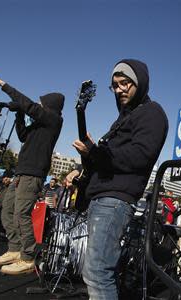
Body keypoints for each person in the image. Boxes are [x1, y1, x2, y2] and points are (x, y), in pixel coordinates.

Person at [68, 59, 168, 299]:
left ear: (140, 82)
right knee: (96, 271)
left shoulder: (152, 112)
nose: (120, 89)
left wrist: (97, 152)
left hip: (114, 201)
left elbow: (140, 156)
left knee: (97, 272)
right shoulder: (121, 120)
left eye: (126, 83)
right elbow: (105, 161)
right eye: (115, 85)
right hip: (102, 198)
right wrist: (88, 157)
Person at [0, 73, 64, 275]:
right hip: (21, 172)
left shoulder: (53, 119)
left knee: (22, 214)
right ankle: (15, 249)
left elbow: (29, 106)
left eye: (41, 103)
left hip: (33, 175)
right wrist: (19, 114)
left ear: (49, 106)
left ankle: (28, 258)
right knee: (7, 210)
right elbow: (22, 136)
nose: (38, 105)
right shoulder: (39, 125)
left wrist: (3, 85)